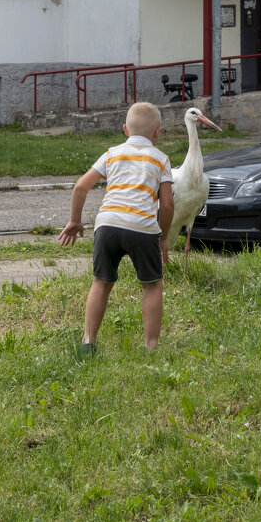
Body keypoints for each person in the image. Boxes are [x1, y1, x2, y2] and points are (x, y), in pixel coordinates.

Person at [58, 101, 175, 351]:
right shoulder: (161, 159)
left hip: (107, 225)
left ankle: (88, 342)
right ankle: (151, 346)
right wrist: (163, 237)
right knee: (152, 285)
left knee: (100, 282)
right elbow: (166, 206)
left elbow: (80, 187)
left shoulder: (112, 153)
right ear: (158, 132)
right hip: (143, 229)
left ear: (125, 130)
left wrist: (75, 221)